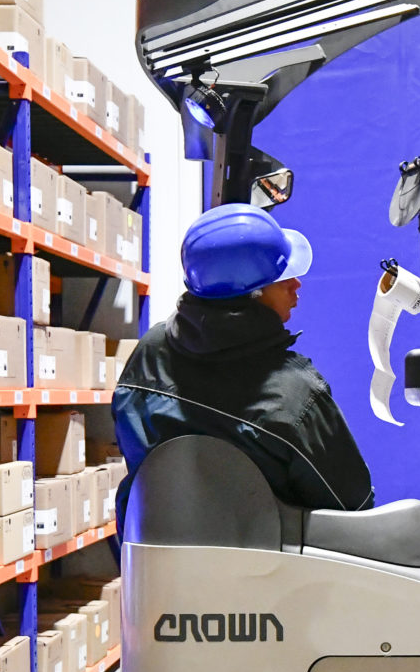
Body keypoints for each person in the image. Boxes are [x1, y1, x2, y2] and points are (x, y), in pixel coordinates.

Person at [114, 202, 375, 515]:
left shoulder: (149, 353)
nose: (296, 284)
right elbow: (354, 507)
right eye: (281, 277)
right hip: (269, 549)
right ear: (251, 295)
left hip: (153, 546)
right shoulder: (295, 395)